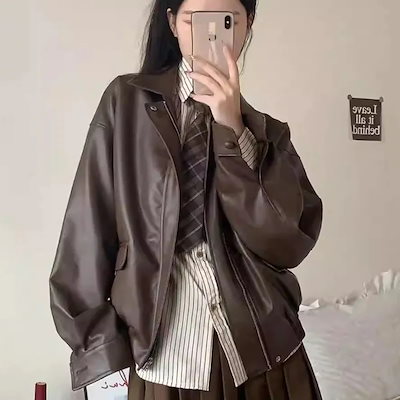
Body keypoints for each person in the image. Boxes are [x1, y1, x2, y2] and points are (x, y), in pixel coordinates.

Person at [49, 0, 324, 399]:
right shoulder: (125, 102)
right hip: (163, 357)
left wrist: (232, 129)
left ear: (247, 26)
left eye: (227, 20)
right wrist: (100, 348)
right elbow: (87, 228)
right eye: (195, 19)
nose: (209, 33)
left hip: (265, 354)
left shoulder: (268, 134)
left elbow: (284, 244)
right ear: (173, 24)